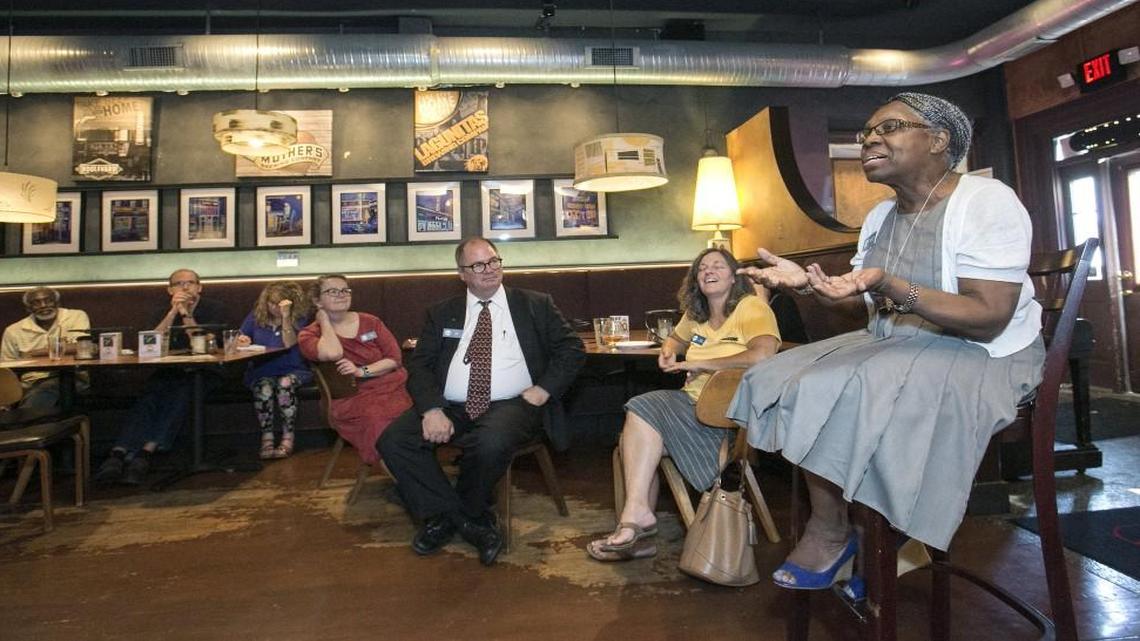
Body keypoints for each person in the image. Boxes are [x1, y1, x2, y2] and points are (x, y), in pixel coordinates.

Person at [730, 92, 1045, 590]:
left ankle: (851, 531)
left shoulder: (985, 201)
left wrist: (892, 284)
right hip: (896, 341)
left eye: (891, 127)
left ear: (939, 140)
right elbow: (858, 305)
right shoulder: (879, 217)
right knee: (773, 374)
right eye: (866, 133)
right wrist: (811, 285)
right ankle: (869, 534)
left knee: (847, 385)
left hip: (982, 352)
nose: (871, 138)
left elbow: (987, 317)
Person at [378, 237, 585, 566]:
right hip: (452, 404)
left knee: (491, 441)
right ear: (462, 273)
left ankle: (451, 518)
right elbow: (419, 365)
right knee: (394, 440)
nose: (488, 270)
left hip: (513, 405)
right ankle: (465, 519)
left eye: (493, 261)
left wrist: (544, 389)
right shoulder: (442, 312)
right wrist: (432, 409)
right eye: (477, 265)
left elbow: (572, 349)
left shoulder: (535, 303)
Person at [586, 248, 781, 562]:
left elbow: (763, 355)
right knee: (636, 434)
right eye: (702, 268)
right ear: (695, 279)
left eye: (718, 265)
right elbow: (676, 339)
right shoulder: (697, 314)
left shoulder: (751, 308)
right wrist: (669, 350)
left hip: (727, 417)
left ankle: (636, 526)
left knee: (640, 409)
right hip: (690, 406)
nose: (708, 271)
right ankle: (635, 524)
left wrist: (704, 365)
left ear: (734, 276)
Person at [94, 269, 228, 486]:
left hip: (206, 371)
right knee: (149, 397)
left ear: (200, 287)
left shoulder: (215, 308)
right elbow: (150, 344)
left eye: (190, 283)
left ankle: (146, 453)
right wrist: (173, 312)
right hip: (169, 370)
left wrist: (186, 314)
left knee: (182, 394)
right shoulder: (161, 311)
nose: (185, 288)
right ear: (169, 290)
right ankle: (117, 454)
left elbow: (203, 342)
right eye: (178, 284)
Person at [297, 274, 412, 466]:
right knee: (379, 420)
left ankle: (417, 468)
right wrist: (324, 321)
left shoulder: (371, 322)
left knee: (421, 414)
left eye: (345, 290)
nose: (341, 295)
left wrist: (362, 371)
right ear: (317, 300)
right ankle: (403, 471)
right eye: (332, 291)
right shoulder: (309, 334)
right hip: (352, 396)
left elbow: (394, 359)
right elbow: (333, 353)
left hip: (394, 386)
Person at [236, 281, 313, 460]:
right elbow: (239, 337)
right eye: (271, 303)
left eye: (279, 304)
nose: (275, 308)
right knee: (264, 387)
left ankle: (288, 437)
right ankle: (267, 437)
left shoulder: (300, 318)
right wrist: (242, 340)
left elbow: (289, 343)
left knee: (285, 383)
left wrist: (286, 317)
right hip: (262, 369)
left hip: (295, 368)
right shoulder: (255, 317)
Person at [0, 287, 91, 409]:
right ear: (28, 308)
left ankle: (28, 423)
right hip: (31, 382)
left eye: (48, 301)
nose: (43, 306)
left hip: (73, 377)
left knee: (46, 390)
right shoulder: (13, 331)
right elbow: (6, 366)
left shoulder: (76, 316)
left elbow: (82, 347)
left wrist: (34, 353)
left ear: (57, 303)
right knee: (39, 391)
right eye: (36, 303)